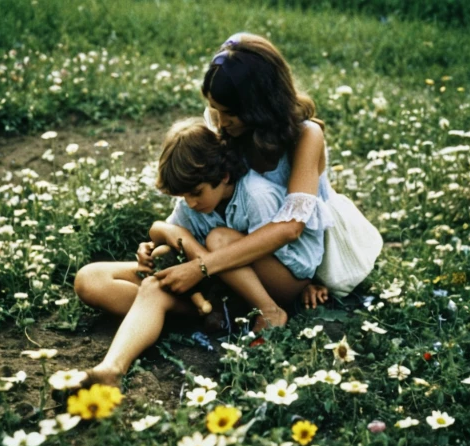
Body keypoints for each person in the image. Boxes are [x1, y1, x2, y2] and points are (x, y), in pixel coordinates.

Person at [73, 118, 325, 386]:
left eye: (196, 193)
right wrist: (153, 246)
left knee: (218, 239)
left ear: (224, 175)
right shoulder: (193, 204)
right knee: (93, 279)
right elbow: (171, 235)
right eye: (184, 196)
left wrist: (312, 283)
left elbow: (288, 251)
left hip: (273, 283)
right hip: (213, 286)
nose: (191, 202)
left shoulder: (255, 195)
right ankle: (111, 369)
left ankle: (268, 313)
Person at [148, 33, 333, 310]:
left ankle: (260, 306)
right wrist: (168, 234)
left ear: (259, 105)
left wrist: (201, 266)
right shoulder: (226, 124)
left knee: (217, 240)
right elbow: (205, 180)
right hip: (240, 239)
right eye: (214, 109)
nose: (220, 123)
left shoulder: (307, 136)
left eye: (229, 113)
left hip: (286, 259)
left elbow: (290, 229)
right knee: (167, 252)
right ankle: (217, 301)